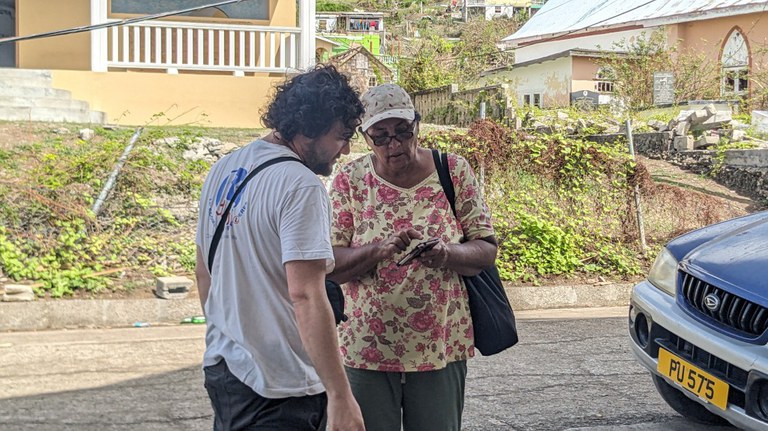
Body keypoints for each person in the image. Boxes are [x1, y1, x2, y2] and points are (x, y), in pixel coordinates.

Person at [194, 65, 366, 431]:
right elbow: (305, 294)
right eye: (341, 135)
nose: (347, 149)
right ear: (309, 128)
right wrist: (339, 394)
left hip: (226, 369)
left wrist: (226, 332)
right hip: (281, 385)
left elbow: (204, 272)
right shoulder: (299, 184)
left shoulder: (224, 168)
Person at [327, 83, 498, 431]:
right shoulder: (350, 180)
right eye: (382, 136)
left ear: (417, 126)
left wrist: (446, 253)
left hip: (440, 346)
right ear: (365, 137)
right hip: (366, 347)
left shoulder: (452, 170)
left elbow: (486, 248)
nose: (395, 145)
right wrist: (378, 250)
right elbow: (330, 264)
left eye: (403, 132)